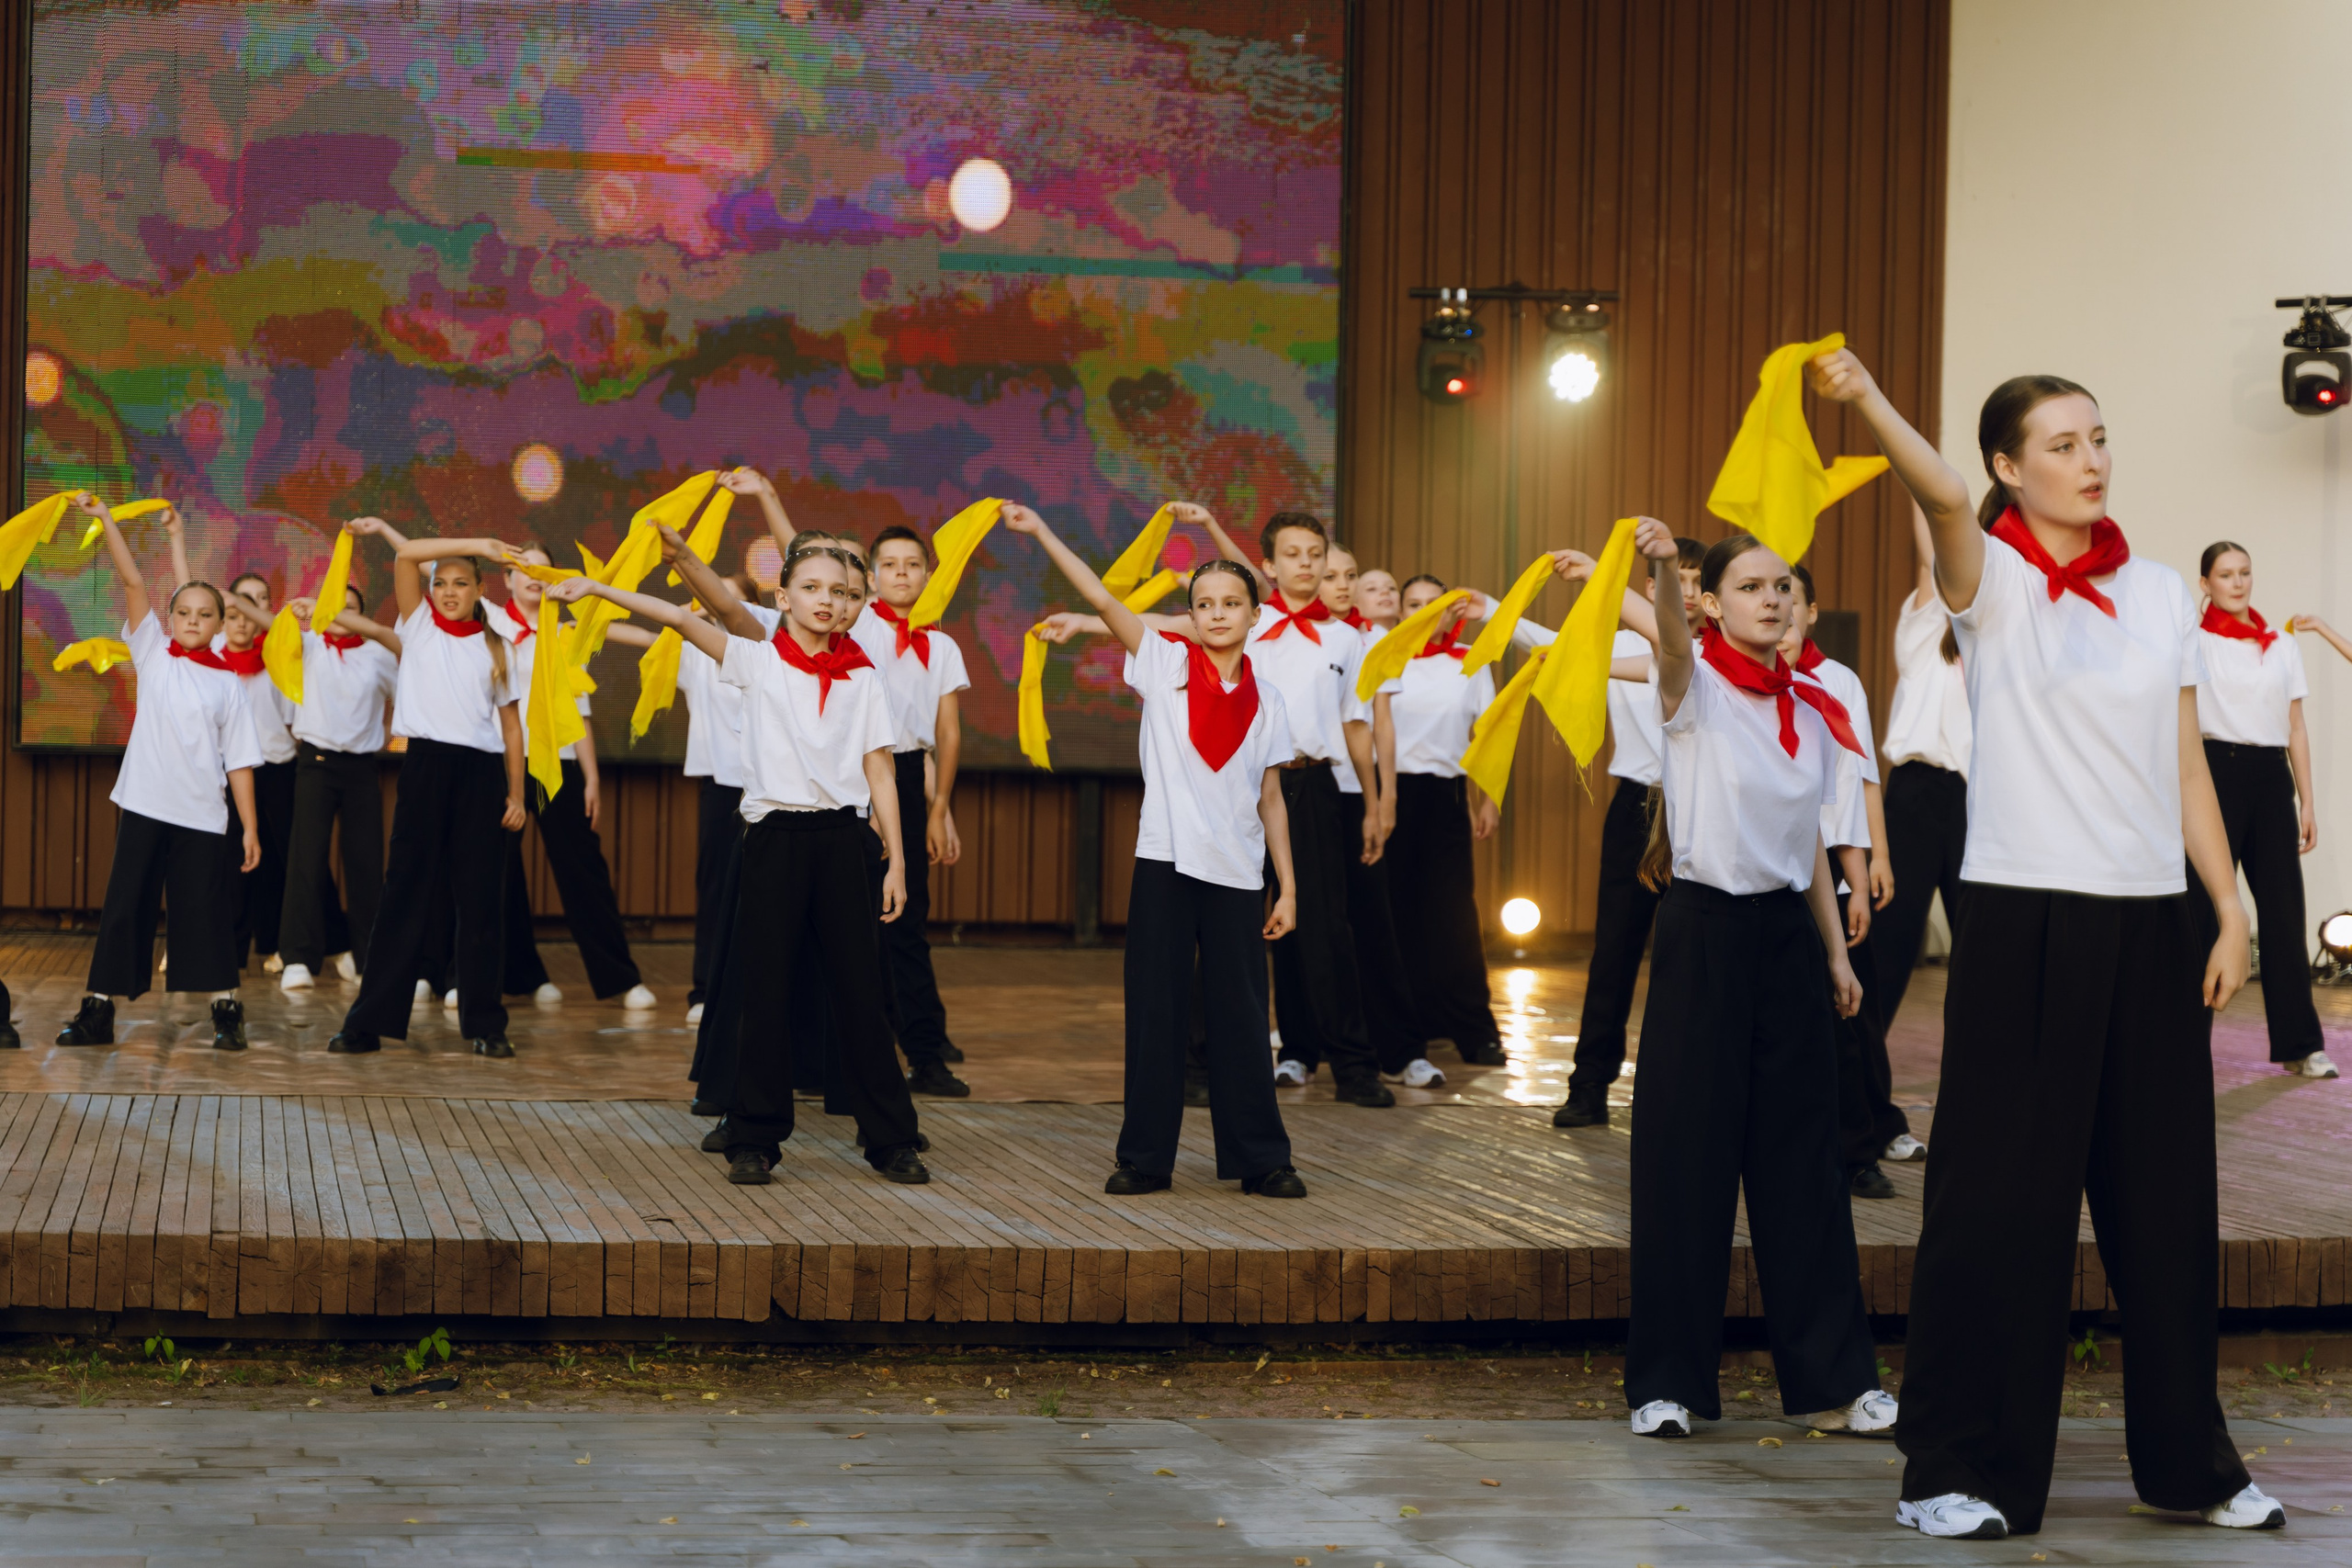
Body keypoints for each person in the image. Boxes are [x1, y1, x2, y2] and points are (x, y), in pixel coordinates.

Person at [1814, 347, 2279, 1538]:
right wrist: (1867, 400)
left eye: (2101, 438)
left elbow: (2186, 764)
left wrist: (2229, 905)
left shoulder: (2167, 590)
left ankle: (2192, 1462)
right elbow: (1935, 497)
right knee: (2000, 1204)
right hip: (2027, 914)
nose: (2093, 461)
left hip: (2151, 920)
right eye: (2062, 445)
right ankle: (1961, 1466)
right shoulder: (1997, 580)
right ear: (2009, 469)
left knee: (2168, 1203)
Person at [1621, 522, 1891, 1449]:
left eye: (1781, 586)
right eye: (1749, 587)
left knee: (1802, 1167)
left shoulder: (1813, 704)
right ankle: (1665, 1385)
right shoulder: (1690, 686)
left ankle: (1834, 1383)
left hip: (1784, 936)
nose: (1770, 599)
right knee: (1683, 1162)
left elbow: (1807, 839)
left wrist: (1834, 951)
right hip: (1703, 930)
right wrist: (1662, 569)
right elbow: (1660, 632)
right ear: (1711, 603)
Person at [552, 529, 932, 1186]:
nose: (827, 601)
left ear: (855, 604)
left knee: (861, 993)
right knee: (765, 991)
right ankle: (755, 1136)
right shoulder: (757, 660)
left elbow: (879, 771)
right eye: (811, 588)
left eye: (842, 592)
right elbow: (676, 615)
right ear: (782, 596)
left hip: (845, 844)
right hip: (773, 840)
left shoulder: (865, 678)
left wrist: (895, 860)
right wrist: (597, 588)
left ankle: (891, 1138)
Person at [1043, 507, 1397, 1109]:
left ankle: (1349, 1064)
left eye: (1317, 553)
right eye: (1292, 554)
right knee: (1211, 945)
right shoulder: (1219, 631)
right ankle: (1196, 1067)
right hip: (1215, 805)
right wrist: (1084, 615)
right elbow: (1141, 617)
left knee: (1320, 929)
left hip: (1305, 787)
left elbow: (1355, 724)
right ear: (1269, 566)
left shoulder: (1346, 637)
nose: (1306, 564)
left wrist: (1375, 799)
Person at [1010, 504, 1306, 1196]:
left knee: (1241, 1018)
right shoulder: (1161, 661)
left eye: (1232, 603)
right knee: (1155, 1013)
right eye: (1204, 604)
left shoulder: (1270, 702)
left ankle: (1262, 1157)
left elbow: (1271, 800)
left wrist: (1287, 887)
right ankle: (1143, 1157)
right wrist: (1044, 530)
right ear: (1191, 616)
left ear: (1254, 617)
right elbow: (1100, 596)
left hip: (1238, 873)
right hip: (1166, 863)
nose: (1218, 613)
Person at [55, 492, 264, 1053]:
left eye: (205, 614)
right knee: (125, 907)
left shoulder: (228, 684)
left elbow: (239, 760)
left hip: (201, 815)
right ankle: (98, 1011)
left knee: (204, 914)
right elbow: (135, 585)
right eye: (183, 613)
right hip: (145, 804)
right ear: (170, 620)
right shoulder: (153, 652)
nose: (192, 620)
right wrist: (105, 521)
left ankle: (227, 1010)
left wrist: (249, 827)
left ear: (222, 624)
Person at [327, 523, 527, 1058]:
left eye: (462, 583)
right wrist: (477, 543)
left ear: (480, 591)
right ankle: (367, 1023)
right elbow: (409, 555)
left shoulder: (498, 647)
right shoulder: (417, 627)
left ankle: (486, 1024)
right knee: (403, 896)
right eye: (442, 582)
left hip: (482, 777)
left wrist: (516, 795)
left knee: (481, 903)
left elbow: (511, 727)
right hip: (426, 769)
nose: (449, 591)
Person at [1556, 534, 1705, 1129]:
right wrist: (1493, 613)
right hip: (1635, 809)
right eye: (1677, 579)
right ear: (1652, 586)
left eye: (1698, 582)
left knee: (1689, 952)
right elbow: (1552, 647)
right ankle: (1589, 1083)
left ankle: (1680, 1087)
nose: (1687, 592)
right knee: (1615, 948)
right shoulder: (1615, 642)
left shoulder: (1706, 651)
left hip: (1697, 810)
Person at [1781, 564, 1915, 1199]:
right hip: (1759, 864)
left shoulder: (1836, 682)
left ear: (1811, 611)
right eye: (1760, 593)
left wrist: (1863, 875)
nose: (1778, 609)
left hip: (1829, 860)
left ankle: (1859, 1149)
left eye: (1790, 596)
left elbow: (1853, 785)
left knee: (1850, 1014)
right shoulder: (1718, 675)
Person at [474, 545, 657, 1011]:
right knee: (497, 872)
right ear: (506, 579)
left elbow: (580, 709)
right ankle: (517, 977)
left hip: (558, 763)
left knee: (583, 870)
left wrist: (592, 777)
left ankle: (621, 980)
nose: (533, 576)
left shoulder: (568, 632)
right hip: (501, 760)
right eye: (523, 568)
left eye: (542, 568)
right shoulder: (490, 620)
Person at [2191, 544, 2330, 1077]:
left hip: (2272, 779)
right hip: (2212, 774)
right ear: (2205, 583)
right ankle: (2185, 1041)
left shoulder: (2280, 646)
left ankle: (2300, 1045)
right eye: (2225, 575)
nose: (2238, 582)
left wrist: (2308, 799)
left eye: (2245, 573)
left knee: (2282, 911)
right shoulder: (2194, 640)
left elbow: (2295, 726)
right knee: (2202, 915)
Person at [851, 523, 973, 1098]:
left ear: (929, 576)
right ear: (870, 577)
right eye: (890, 564)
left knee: (906, 922)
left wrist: (938, 805)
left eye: (913, 564)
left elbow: (946, 734)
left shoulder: (941, 645)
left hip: (904, 775)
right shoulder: (855, 623)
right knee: (847, 923)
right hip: (848, 776)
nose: (902, 573)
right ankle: (842, 1059)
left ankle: (925, 1055)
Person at [1377, 576, 1504, 1082]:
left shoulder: (1472, 661)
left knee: (1454, 916)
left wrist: (1489, 798)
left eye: (1437, 605)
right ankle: (1405, 1029)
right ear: (1401, 610)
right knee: (1394, 914)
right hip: (1391, 795)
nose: (1426, 611)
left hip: (1448, 795)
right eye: (1415, 604)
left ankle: (1476, 1031)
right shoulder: (1385, 658)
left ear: (1454, 613)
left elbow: (1490, 732)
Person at [276, 557, 401, 991]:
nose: (343, 615)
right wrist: (298, 610)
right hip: (315, 764)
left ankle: (369, 959)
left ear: (364, 617)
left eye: (352, 608)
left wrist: (384, 733)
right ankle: (297, 958)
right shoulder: (310, 644)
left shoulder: (380, 655)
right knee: (306, 860)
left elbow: (406, 700)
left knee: (366, 864)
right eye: (336, 607)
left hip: (362, 769)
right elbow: (262, 623)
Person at [1871, 501, 1971, 1033]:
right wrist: (1917, 488)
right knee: (1892, 941)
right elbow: (1929, 551)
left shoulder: (1994, 638)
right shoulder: (1926, 626)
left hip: (1975, 802)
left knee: (1980, 948)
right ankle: (1859, 1080)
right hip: (1915, 795)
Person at [674, 566, 766, 1027]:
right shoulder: (695, 651)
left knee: (766, 893)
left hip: (768, 791)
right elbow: (642, 635)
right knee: (715, 890)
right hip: (719, 786)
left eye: (732, 600)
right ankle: (705, 991)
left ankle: (759, 991)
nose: (720, 605)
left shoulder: (767, 652)